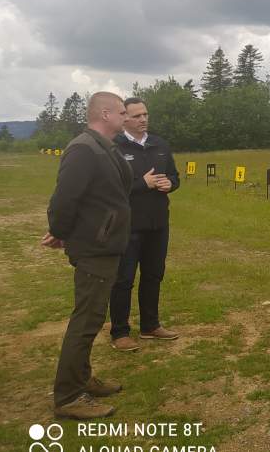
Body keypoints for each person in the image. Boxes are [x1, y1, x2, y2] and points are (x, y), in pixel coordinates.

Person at [43, 92, 133, 419]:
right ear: (105, 114)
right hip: (95, 248)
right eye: (122, 112)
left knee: (92, 318)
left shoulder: (103, 147)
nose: (126, 117)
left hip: (104, 245)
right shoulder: (84, 148)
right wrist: (61, 231)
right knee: (86, 320)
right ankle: (68, 396)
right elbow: (64, 200)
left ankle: (81, 379)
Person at [109, 97, 180, 351]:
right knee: (123, 279)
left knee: (153, 275)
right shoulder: (113, 147)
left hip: (158, 223)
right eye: (137, 116)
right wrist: (143, 184)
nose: (143, 119)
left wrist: (170, 183)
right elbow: (110, 188)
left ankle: (150, 326)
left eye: (145, 114)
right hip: (128, 226)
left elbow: (174, 175)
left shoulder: (159, 144)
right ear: (124, 118)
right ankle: (120, 332)